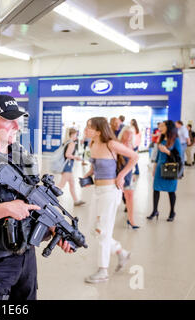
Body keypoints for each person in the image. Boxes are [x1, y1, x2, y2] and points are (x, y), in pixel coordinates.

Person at [0, 95, 73, 300]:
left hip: (26, 257)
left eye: (17, 120)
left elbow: (35, 202)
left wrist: (55, 227)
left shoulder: (23, 157)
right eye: (9, 120)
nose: (16, 126)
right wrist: (5, 209)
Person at [81, 117, 138, 283]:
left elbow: (134, 156)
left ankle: (102, 270)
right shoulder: (92, 144)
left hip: (110, 192)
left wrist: (121, 175)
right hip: (97, 191)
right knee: (93, 229)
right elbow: (94, 166)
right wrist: (87, 176)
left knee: (103, 232)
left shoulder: (111, 144)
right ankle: (121, 252)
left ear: (98, 131)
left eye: (88, 127)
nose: (85, 129)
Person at [148, 120, 182, 222]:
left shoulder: (175, 140)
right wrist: (154, 168)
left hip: (170, 168)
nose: (160, 128)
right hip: (159, 167)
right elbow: (158, 155)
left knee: (171, 191)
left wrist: (167, 151)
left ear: (168, 127)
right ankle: (155, 211)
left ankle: (172, 212)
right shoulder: (161, 138)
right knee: (156, 189)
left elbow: (179, 156)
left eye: (162, 126)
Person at [56, 128, 85, 206]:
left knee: (72, 183)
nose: (77, 136)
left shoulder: (66, 142)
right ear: (72, 134)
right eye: (76, 134)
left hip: (66, 166)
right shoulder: (71, 143)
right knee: (61, 185)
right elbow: (67, 155)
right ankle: (47, 196)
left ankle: (76, 201)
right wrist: (76, 157)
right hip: (67, 167)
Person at [118, 126, 139, 229]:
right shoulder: (118, 145)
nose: (129, 135)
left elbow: (133, 162)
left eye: (131, 133)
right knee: (116, 199)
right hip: (118, 175)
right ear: (123, 133)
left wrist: (134, 173)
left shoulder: (131, 145)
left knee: (130, 197)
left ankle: (131, 220)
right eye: (127, 133)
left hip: (129, 175)